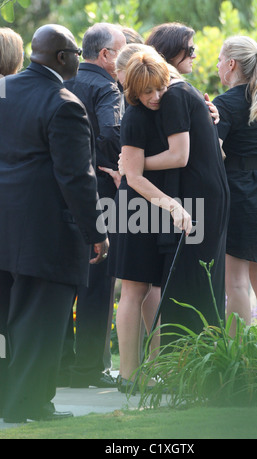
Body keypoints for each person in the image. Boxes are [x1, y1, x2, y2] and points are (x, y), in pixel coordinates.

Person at [0, 24, 108, 424]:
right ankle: (26, 404)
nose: (80, 58)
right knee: (40, 325)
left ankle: (16, 400)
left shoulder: (3, 90)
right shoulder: (64, 102)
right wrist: (96, 232)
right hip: (45, 234)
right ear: (63, 58)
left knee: (6, 327)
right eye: (77, 52)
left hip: (4, 230)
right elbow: (77, 178)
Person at [108, 49, 193, 391]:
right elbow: (133, 177)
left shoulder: (161, 109)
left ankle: (152, 371)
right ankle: (128, 376)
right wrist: (171, 205)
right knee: (132, 289)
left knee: (151, 288)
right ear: (133, 91)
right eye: (146, 92)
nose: (155, 97)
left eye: (158, 88)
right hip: (134, 207)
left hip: (155, 206)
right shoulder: (134, 118)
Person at [142, 23, 229, 346]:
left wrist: (135, 166)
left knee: (195, 279)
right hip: (202, 194)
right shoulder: (178, 92)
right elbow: (187, 152)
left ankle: (190, 362)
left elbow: (181, 154)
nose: (195, 55)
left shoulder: (177, 92)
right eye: (189, 49)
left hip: (200, 195)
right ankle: (192, 361)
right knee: (197, 279)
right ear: (169, 52)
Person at [59, 23, 126, 389]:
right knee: (98, 280)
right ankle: (89, 368)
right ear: (105, 55)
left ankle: (60, 365)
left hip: (64, 191)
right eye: (120, 51)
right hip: (101, 189)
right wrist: (113, 162)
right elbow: (112, 132)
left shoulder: (64, 84)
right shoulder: (107, 88)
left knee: (65, 279)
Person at [212, 36, 257, 333]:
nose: (217, 66)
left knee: (237, 282)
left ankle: (238, 360)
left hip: (237, 189)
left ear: (231, 64)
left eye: (219, 59)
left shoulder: (224, 104)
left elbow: (212, 153)